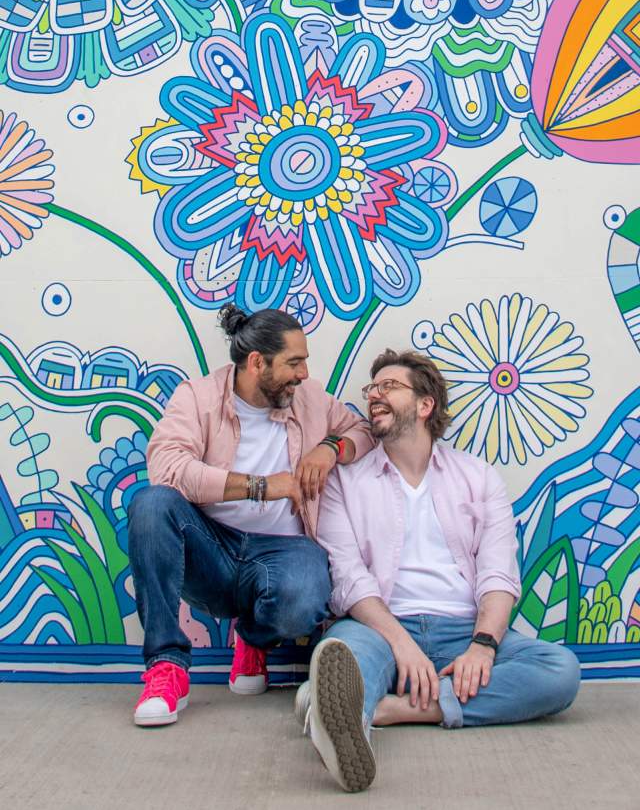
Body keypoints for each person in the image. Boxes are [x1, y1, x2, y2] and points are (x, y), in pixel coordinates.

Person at [298, 349, 581, 792]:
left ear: (426, 404)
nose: (374, 396)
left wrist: (483, 646)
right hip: (378, 628)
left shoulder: (477, 477)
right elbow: (349, 580)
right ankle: (346, 716)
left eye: (389, 387)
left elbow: (498, 574)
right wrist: (402, 643)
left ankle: (385, 709)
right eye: (372, 389)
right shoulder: (345, 482)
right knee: (346, 654)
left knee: (559, 670)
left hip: (462, 632)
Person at [127, 305, 374, 727]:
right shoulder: (198, 396)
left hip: (283, 553)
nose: (303, 373)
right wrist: (261, 485)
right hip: (213, 550)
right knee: (151, 504)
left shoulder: (310, 397)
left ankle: (253, 639)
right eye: (294, 362)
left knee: (305, 595)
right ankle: (166, 668)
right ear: (257, 362)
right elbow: (167, 468)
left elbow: (363, 432)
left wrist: (329, 449)